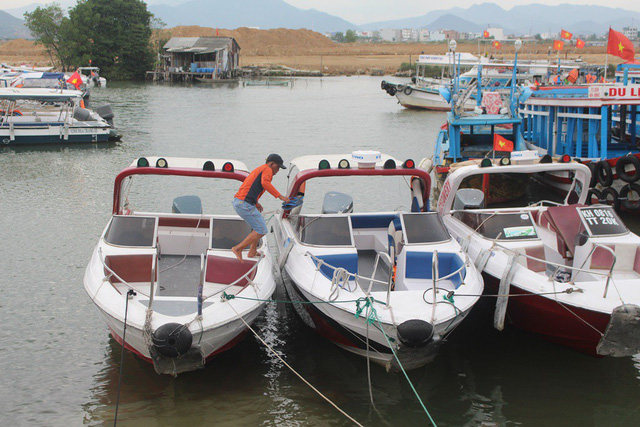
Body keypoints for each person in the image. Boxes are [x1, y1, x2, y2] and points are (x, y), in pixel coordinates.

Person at [232, 154, 289, 261]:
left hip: (240, 201)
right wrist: (280, 196)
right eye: (278, 167)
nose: (278, 171)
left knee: (257, 224)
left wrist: (256, 202)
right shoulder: (267, 169)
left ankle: (252, 251)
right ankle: (238, 248)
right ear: (272, 164)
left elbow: (249, 185)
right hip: (244, 204)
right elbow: (265, 183)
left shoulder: (259, 169)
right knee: (262, 230)